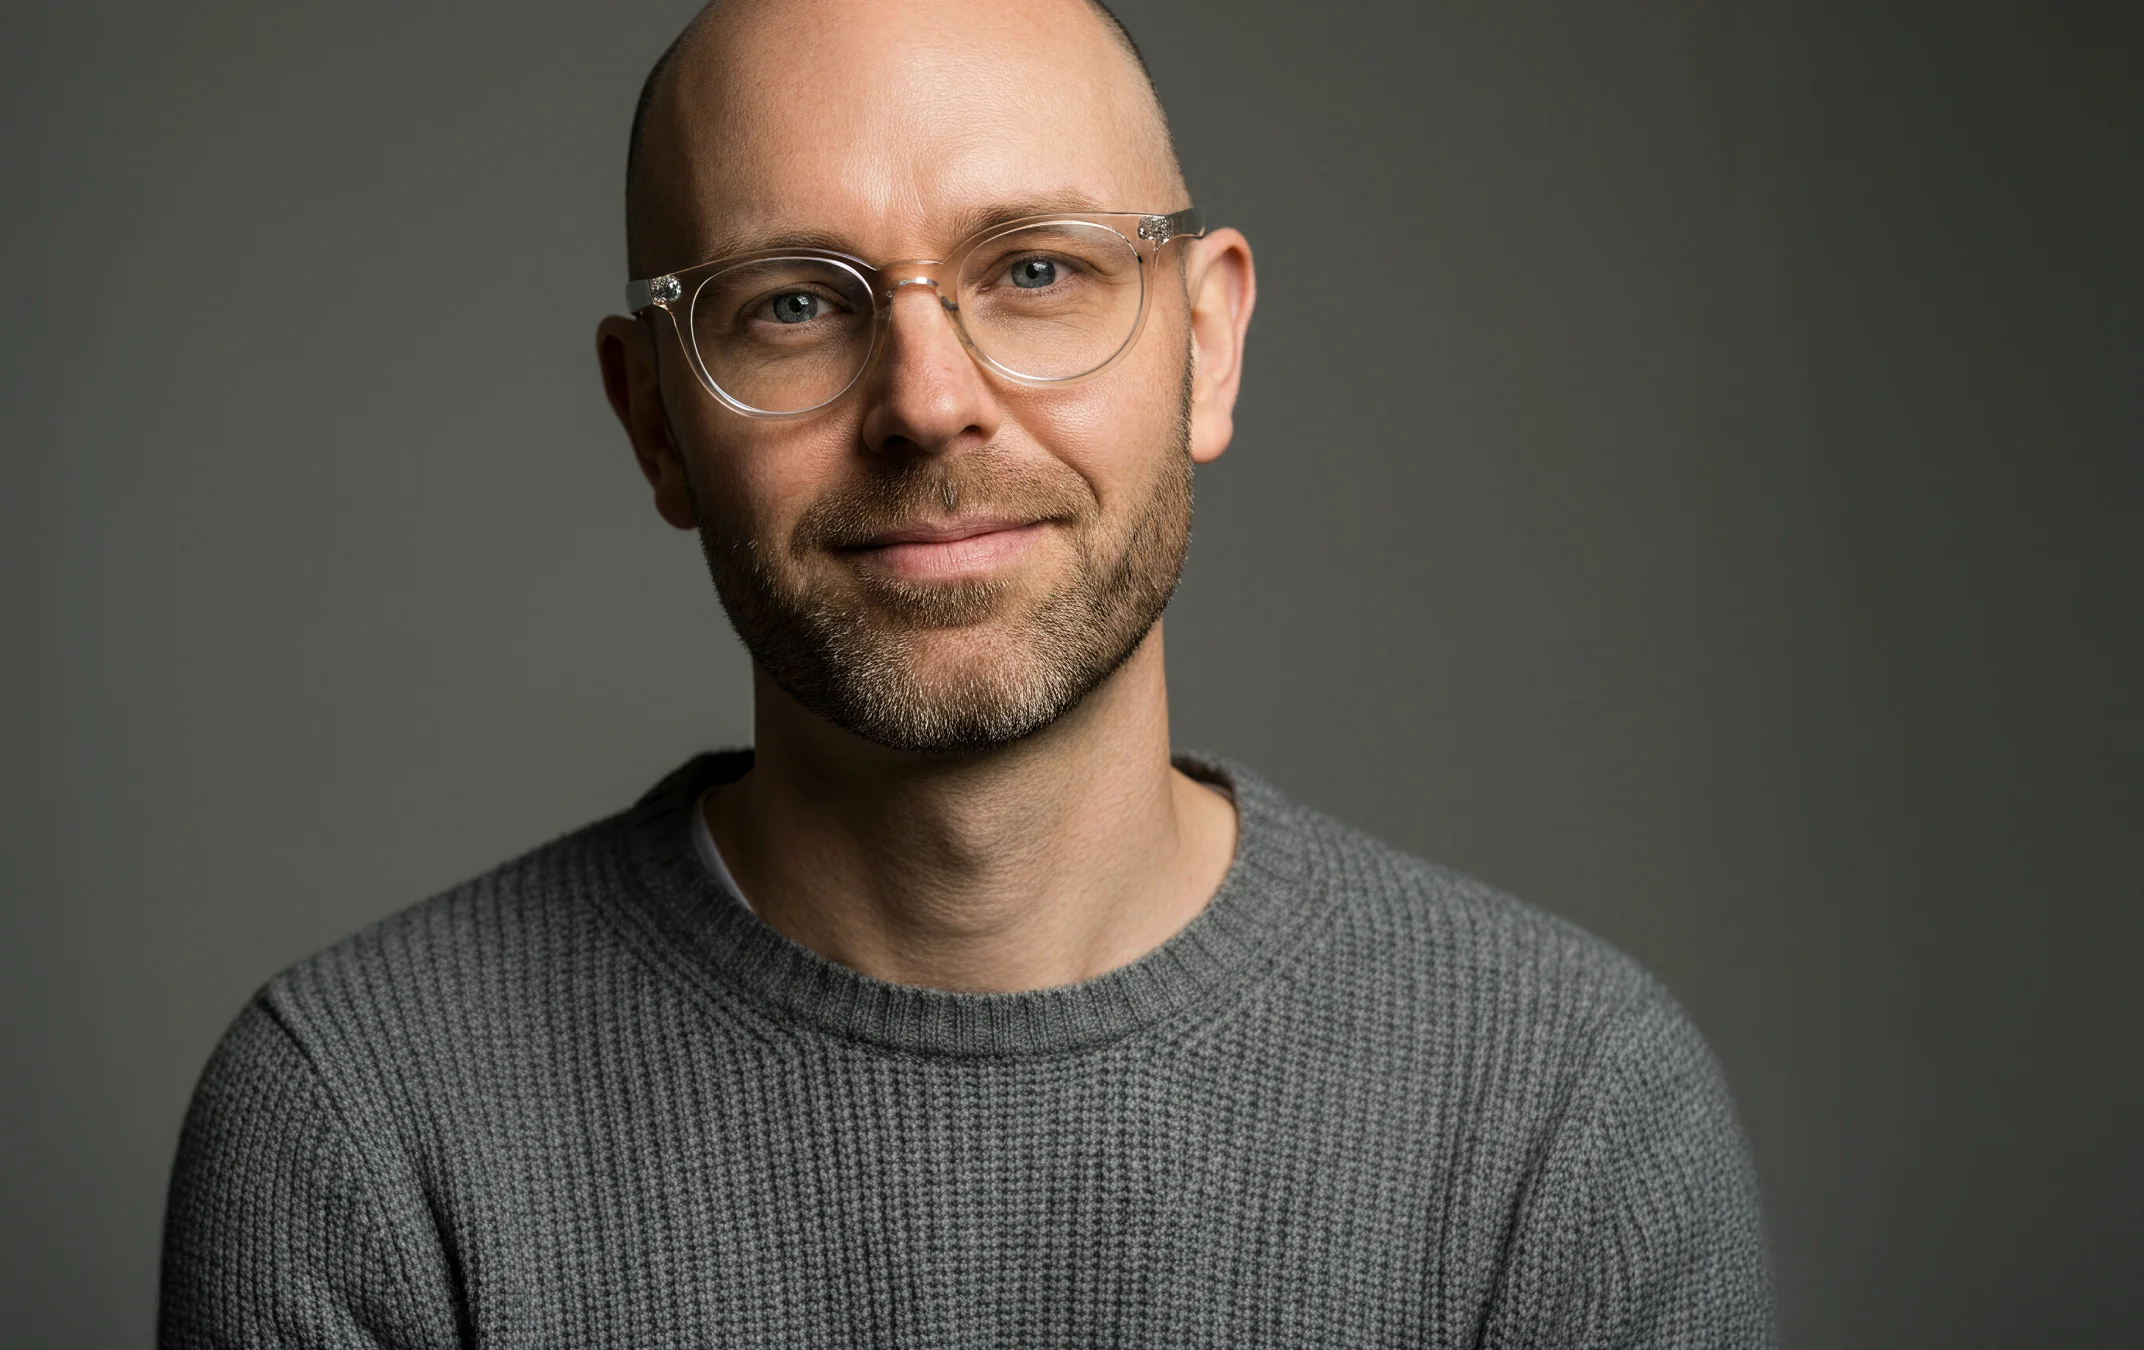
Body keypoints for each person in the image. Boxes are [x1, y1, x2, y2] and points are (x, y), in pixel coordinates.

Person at [159, 0, 1775, 1344]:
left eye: (1038, 271)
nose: (929, 401)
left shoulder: (1565, 1119)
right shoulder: (364, 1126)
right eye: (794, 303)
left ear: (1208, 342)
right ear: (654, 415)